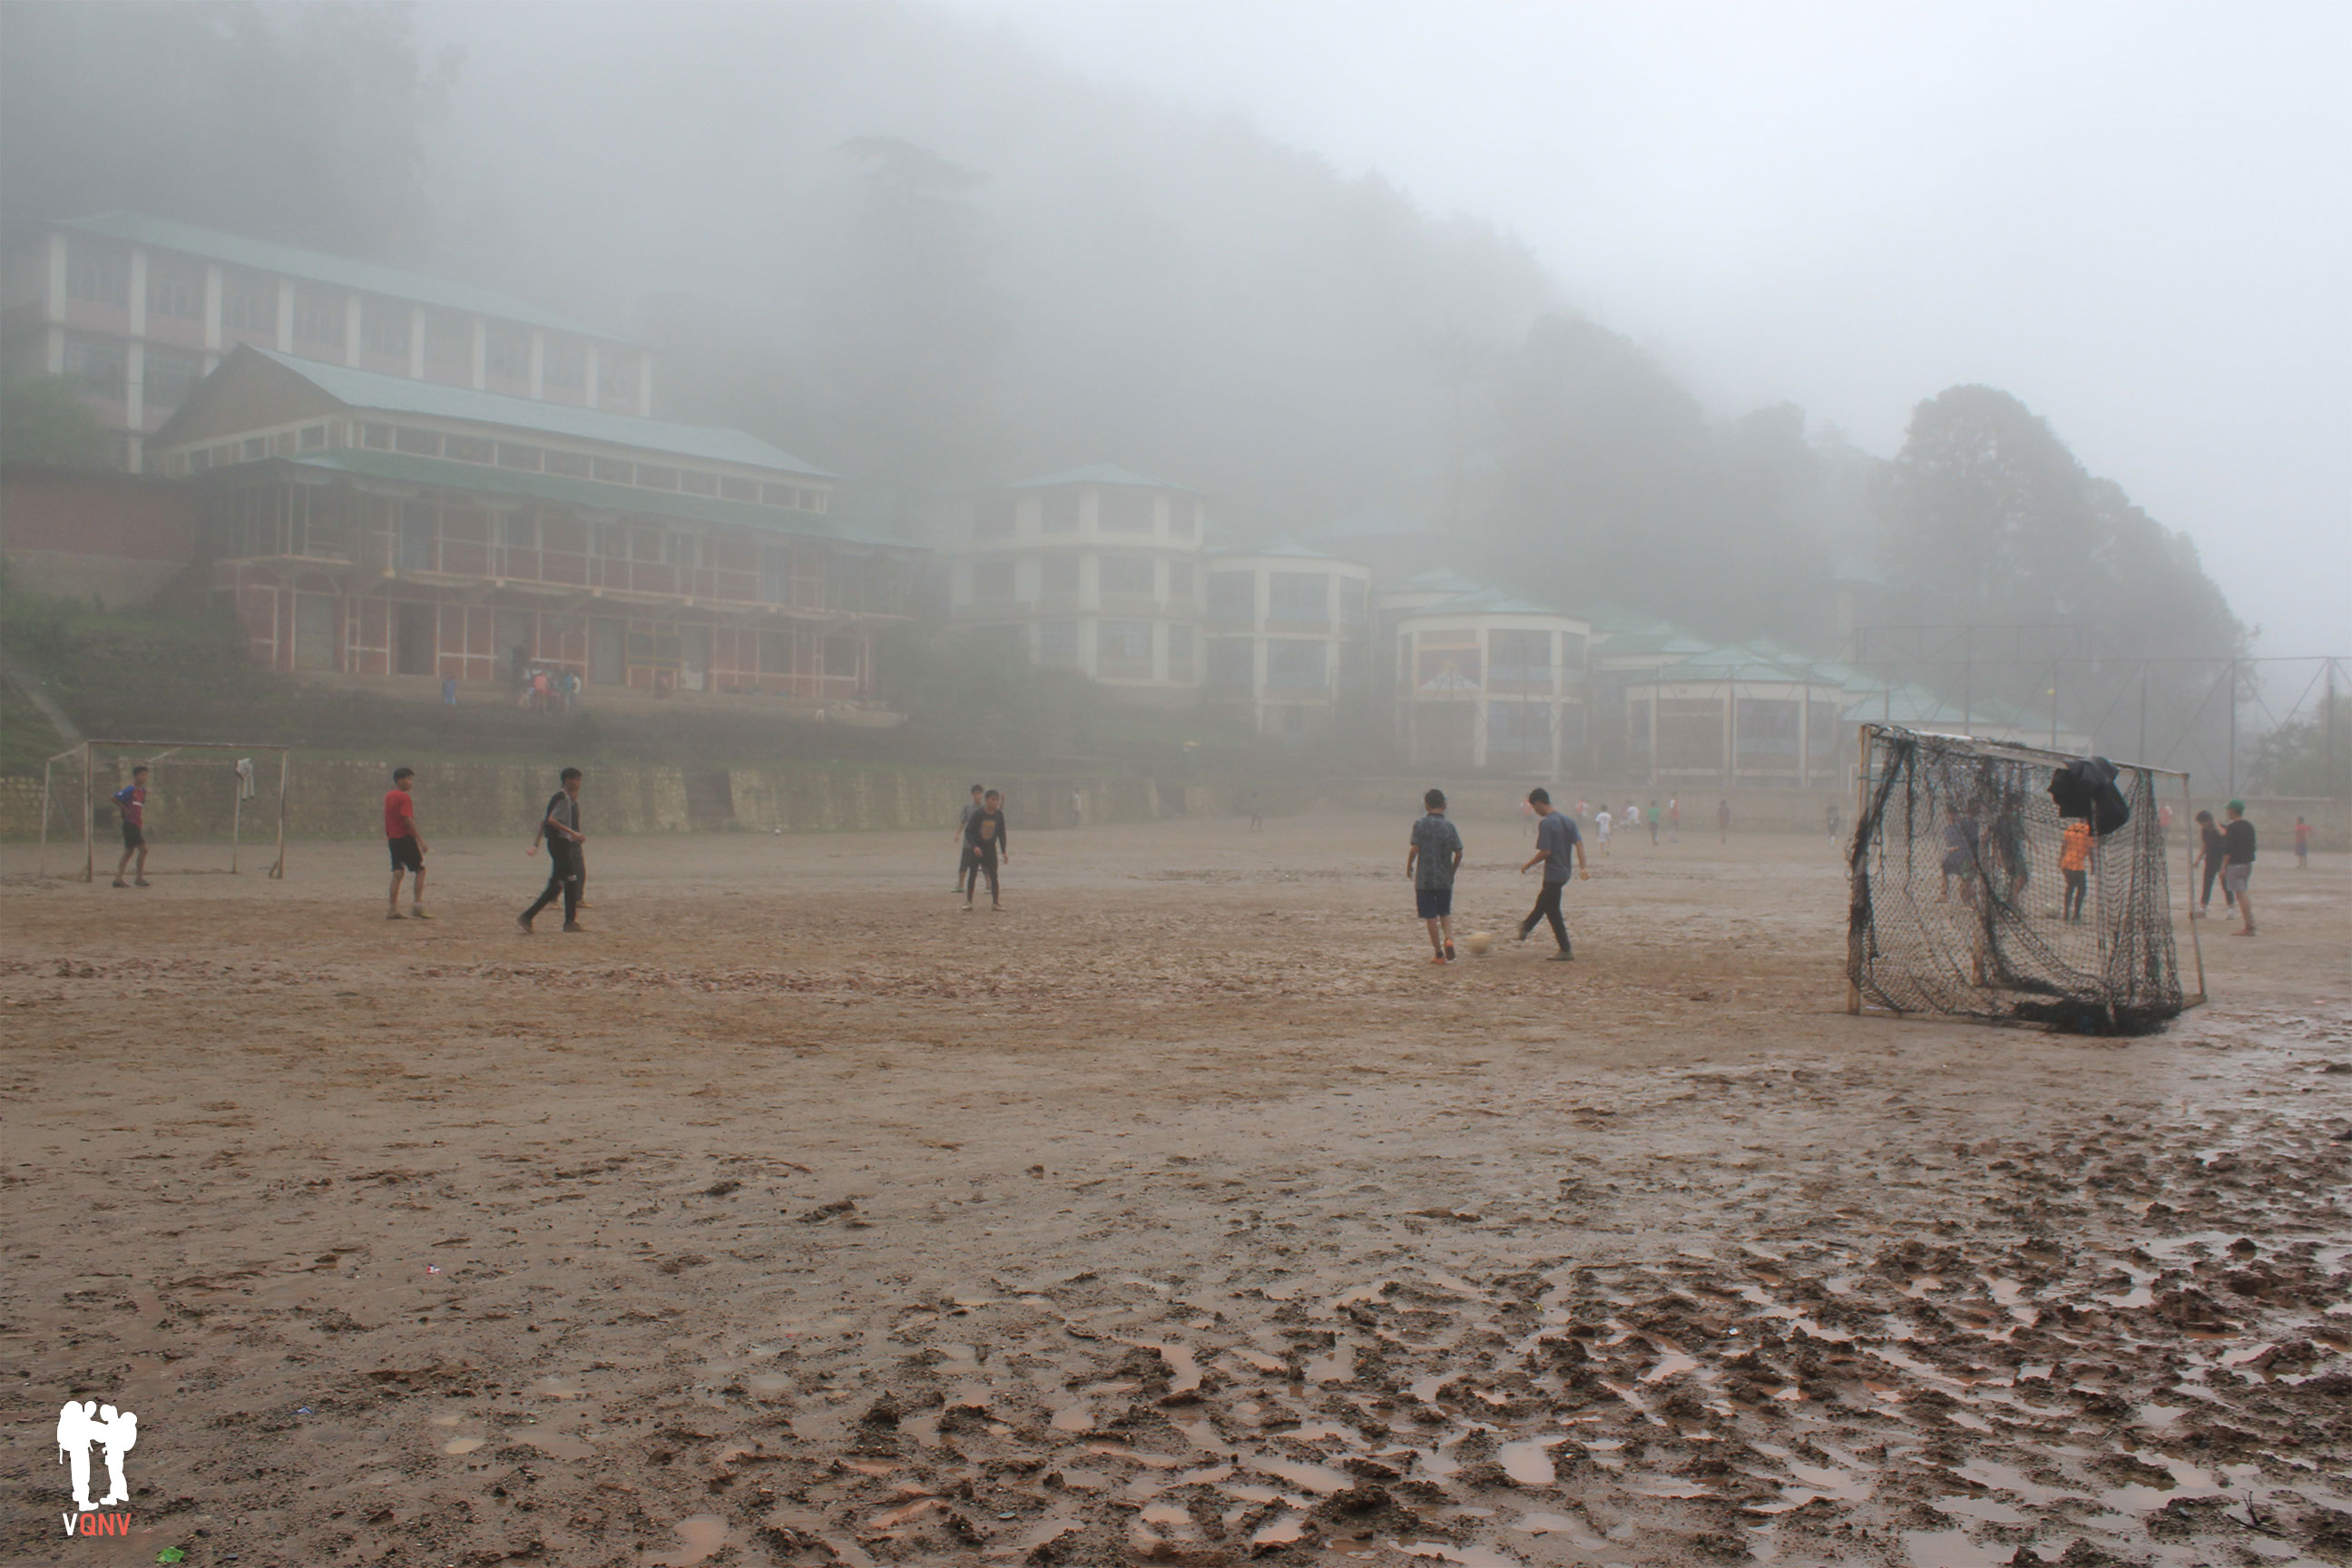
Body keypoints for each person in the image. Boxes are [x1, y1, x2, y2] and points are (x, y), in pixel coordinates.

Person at [1515, 788, 1588, 959]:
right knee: (1546, 903)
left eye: (1534, 808)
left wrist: (1528, 864)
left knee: (1552, 909)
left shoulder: (1547, 823)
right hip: (1565, 872)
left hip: (1554, 873)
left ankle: (1565, 949)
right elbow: (1579, 844)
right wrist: (1583, 867)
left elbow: (1545, 852)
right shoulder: (1568, 821)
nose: (1535, 812)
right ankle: (1526, 926)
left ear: (1539, 803)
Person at [519, 768, 586, 933]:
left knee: (560, 884)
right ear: (567, 780)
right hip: (559, 844)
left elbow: (544, 820)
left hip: (561, 844)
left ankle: (566, 921)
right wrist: (573, 834)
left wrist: (536, 844)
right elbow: (551, 820)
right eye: (576, 779)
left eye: (579, 779)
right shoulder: (562, 798)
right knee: (569, 880)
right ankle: (565, 922)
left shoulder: (566, 800)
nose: (578, 782)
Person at [1406, 788, 1465, 964]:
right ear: (1444, 805)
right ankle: (1449, 937)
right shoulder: (1449, 826)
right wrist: (1452, 871)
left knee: (1430, 916)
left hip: (1425, 879)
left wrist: (1409, 865)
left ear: (1426, 805)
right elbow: (1459, 852)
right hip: (1444, 877)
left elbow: (1415, 848)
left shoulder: (1420, 824)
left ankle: (1439, 954)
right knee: (1444, 912)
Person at [384, 767, 432, 920]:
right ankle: (417, 905)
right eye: (409, 779)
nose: (411, 783)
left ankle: (392, 908)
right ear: (400, 780)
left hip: (392, 839)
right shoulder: (404, 798)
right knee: (420, 870)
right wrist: (419, 839)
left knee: (397, 872)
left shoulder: (388, 796)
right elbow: (407, 820)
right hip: (405, 838)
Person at [962, 788, 1010, 910]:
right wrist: (974, 847)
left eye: (997, 801)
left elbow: (1001, 834)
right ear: (987, 800)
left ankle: (996, 903)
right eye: (994, 800)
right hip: (978, 848)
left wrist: (1004, 851)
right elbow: (968, 832)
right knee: (972, 874)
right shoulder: (978, 814)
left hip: (990, 849)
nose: (996, 803)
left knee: (994, 875)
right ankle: (969, 902)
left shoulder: (999, 815)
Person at [110, 765, 151, 888]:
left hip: (136, 824)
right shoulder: (130, 790)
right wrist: (124, 809)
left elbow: (139, 807)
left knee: (129, 851)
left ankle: (118, 878)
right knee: (143, 850)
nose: (144, 777)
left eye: (145, 775)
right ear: (136, 776)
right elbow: (114, 797)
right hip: (129, 824)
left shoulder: (142, 791)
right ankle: (138, 878)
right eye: (142, 775)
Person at [2220, 799, 2257, 936]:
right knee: (2243, 892)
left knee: (2241, 894)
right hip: (2247, 864)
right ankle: (2249, 925)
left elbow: (2228, 850)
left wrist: (2223, 867)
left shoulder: (2233, 827)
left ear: (2233, 811)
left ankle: (2249, 926)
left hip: (2235, 865)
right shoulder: (2249, 826)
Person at [2191, 808, 2229, 917]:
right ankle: (2203, 908)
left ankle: (2231, 908)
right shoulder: (2205, 831)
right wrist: (2199, 859)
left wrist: (2216, 824)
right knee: (2207, 883)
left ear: (2209, 820)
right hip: (2210, 859)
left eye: (2203, 822)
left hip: (2222, 859)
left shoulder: (2221, 828)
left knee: (2225, 884)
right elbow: (2205, 845)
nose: (2202, 825)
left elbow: (2225, 835)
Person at [2059, 817, 2093, 924]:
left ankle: (2066, 913)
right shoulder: (2088, 831)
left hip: (2066, 862)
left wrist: (2060, 860)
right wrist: (2093, 865)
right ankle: (2076, 915)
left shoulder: (2071, 828)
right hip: (2078, 865)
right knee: (2082, 889)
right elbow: (2091, 850)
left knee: (2070, 887)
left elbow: (2064, 845)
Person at [954, 783, 985, 889]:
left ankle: (989, 886)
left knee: (985, 864)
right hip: (969, 840)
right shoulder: (967, 807)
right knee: (964, 864)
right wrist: (957, 834)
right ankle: (960, 885)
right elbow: (963, 822)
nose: (978, 796)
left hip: (982, 840)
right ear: (972, 794)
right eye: (976, 793)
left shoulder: (985, 807)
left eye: (980, 793)